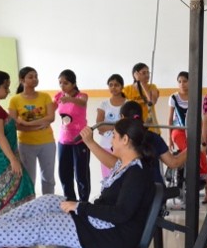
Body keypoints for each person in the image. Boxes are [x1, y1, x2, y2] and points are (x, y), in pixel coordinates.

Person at [0, 117, 156, 248]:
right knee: (48, 201)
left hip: (111, 237)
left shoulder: (137, 174)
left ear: (125, 140)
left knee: (45, 223)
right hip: (101, 225)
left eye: (114, 136)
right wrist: (80, 208)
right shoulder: (124, 165)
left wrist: (80, 207)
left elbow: (120, 214)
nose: (111, 140)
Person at [83, 101, 187, 188]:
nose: (112, 141)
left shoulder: (123, 138)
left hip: (136, 194)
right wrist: (191, 147)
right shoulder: (154, 137)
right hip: (157, 193)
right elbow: (174, 162)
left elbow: (115, 164)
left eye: (113, 137)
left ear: (122, 117)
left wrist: (90, 143)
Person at [0, 70, 35, 219]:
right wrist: (13, 160)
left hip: (1, 158)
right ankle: (11, 225)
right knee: (20, 190)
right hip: (1, 161)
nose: (8, 91)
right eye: (5, 87)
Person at [8, 66, 56, 194]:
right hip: (26, 144)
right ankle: (30, 201)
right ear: (22, 80)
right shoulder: (15, 100)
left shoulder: (45, 96)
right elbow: (13, 124)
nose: (34, 79)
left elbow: (51, 117)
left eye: (36, 76)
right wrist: (36, 126)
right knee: (29, 178)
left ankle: (48, 201)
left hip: (47, 142)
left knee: (48, 178)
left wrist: (27, 124)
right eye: (30, 77)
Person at [168, 71, 207, 203]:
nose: (182, 84)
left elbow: (200, 118)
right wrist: (169, 139)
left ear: (190, 82)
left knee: (202, 155)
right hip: (179, 131)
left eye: (185, 81)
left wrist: (203, 138)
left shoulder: (196, 96)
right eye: (180, 81)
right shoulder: (173, 97)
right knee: (190, 151)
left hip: (194, 130)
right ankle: (187, 186)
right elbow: (170, 119)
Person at [54, 69, 90, 202]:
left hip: (80, 139)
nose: (62, 86)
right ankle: (70, 201)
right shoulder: (58, 96)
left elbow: (83, 103)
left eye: (66, 83)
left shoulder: (82, 96)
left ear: (73, 84)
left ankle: (83, 203)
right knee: (64, 173)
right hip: (64, 140)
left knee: (81, 174)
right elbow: (50, 109)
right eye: (60, 83)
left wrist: (69, 99)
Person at [96, 74, 126, 178]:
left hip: (123, 146)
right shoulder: (103, 104)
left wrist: (107, 127)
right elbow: (99, 126)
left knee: (122, 176)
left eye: (116, 85)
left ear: (122, 87)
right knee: (107, 177)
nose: (113, 87)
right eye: (111, 85)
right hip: (106, 145)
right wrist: (118, 125)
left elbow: (127, 126)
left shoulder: (127, 104)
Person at [122, 62, 160, 134]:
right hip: (134, 129)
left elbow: (152, 101)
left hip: (151, 129)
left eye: (148, 72)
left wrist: (142, 83)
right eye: (144, 73)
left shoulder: (152, 87)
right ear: (135, 75)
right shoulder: (127, 90)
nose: (147, 75)